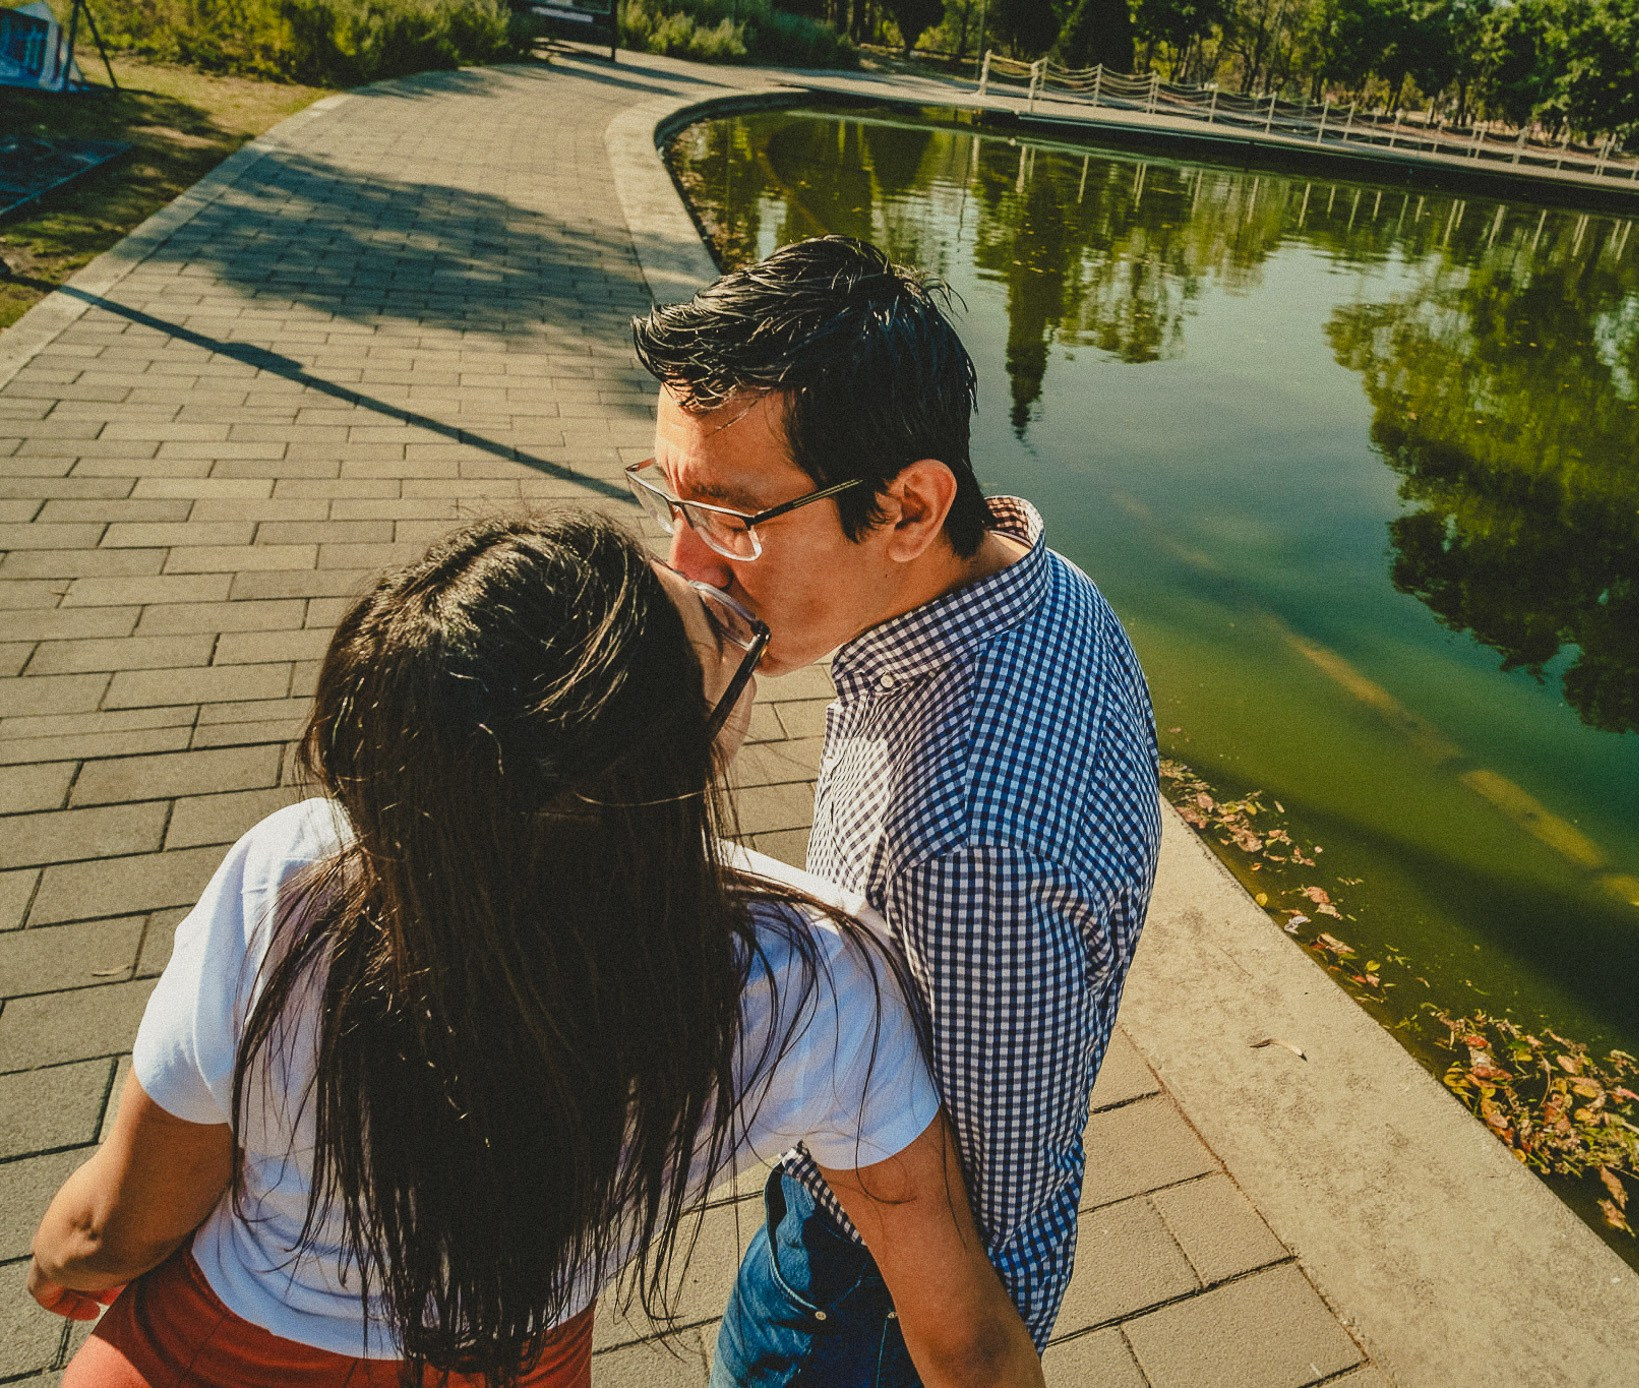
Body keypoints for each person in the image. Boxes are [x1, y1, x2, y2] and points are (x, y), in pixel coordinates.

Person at [25, 512, 1043, 1388]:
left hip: (209, 1345)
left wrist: (62, 1257)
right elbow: (965, 1340)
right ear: (680, 764)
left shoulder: (295, 881)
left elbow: (124, 1219)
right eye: (726, 637)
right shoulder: (812, 975)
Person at [630, 236, 1162, 1385]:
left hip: (862, 1304)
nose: (682, 562)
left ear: (909, 505)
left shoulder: (960, 842)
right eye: (667, 498)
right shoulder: (1034, 579)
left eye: (729, 518)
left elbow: (974, 1201)